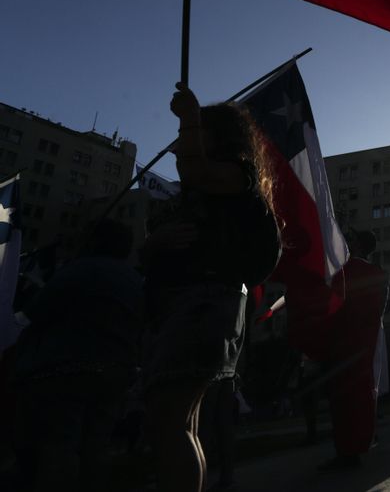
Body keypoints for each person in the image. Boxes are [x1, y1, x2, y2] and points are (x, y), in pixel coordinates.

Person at [141, 85, 281, 492]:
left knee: (169, 419)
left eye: (200, 132)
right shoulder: (211, 193)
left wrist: (188, 118)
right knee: (180, 422)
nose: (185, 145)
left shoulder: (236, 174)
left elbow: (196, 171)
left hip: (203, 304)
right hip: (192, 304)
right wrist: (154, 244)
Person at [10, 218, 144, 491]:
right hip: (115, 373)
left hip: (66, 368)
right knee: (96, 447)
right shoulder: (135, 280)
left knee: (60, 444)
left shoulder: (79, 269)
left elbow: (36, 311)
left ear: (93, 241)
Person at [318, 230, 390, 471]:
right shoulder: (378, 274)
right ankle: (357, 445)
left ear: (357, 245)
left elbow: (332, 304)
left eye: (350, 240)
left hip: (343, 343)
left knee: (343, 399)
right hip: (366, 344)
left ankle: (346, 451)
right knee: (360, 395)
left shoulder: (345, 271)